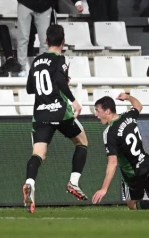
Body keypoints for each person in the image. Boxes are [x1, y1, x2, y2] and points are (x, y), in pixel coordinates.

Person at [22, 25, 89, 214]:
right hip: (60, 112)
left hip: (41, 113)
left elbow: (29, 89)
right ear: (63, 42)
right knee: (82, 142)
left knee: (38, 154)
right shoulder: (61, 59)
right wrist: (74, 101)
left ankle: (29, 182)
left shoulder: (36, 61)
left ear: (46, 41)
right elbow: (59, 81)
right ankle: (73, 182)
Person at [16, 0, 82, 77]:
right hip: (25, 3)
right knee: (23, 38)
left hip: (45, 5)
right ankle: (22, 68)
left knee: (45, 40)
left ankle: (42, 68)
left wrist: (77, 2)